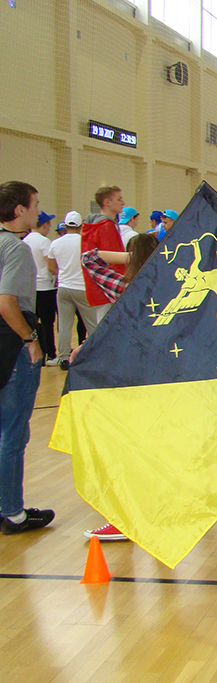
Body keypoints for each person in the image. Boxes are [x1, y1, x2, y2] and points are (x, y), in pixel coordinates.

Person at [77, 232, 160, 541]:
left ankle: (126, 519)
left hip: (131, 383)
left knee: (129, 454)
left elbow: (89, 259)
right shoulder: (173, 288)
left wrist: (135, 257)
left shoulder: (125, 288)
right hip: (169, 380)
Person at [0, 181, 53, 535]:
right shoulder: (15, 250)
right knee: (13, 432)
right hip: (12, 345)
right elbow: (7, 303)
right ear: (19, 210)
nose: (38, 210)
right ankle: (13, 512)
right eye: (34, 205)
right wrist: (30, 339)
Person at [47, 211, 105, 370]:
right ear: (81, 226)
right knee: (92, 324)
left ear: (65, 225)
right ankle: (98, 353)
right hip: (82, 287)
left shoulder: (55, 243)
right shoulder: (85, 242)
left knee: (64, 325)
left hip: (63, 288)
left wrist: (64, 275)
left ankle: (63, 357)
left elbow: (51, 267)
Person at [82, 186, 127, 316]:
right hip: (108, 289)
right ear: (107, 202)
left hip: (97, 287)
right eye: (119, 199)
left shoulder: (92, 226)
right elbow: (114, 261)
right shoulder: (106, 226)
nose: (123, 203)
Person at [24, 211, 57, 365]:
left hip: (31, 288)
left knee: (32, 323)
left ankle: (35, 356)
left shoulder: (25, 240)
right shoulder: (44, 242)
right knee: (47, 323)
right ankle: (50, 354)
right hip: (45, 288)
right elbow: (50, 266)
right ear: (44, 225)